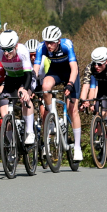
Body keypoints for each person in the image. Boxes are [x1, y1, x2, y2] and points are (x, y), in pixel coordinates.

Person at [35, 25, 83, 162]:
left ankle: (77, 147)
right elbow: (36, 69)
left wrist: (70, 84)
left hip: (70, 74)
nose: (48, 45)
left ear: (58, 41)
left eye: (51, 42)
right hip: (55, 72)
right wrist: (30, 84)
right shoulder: (41, 47)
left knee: (72, 110)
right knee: (45, 86)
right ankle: (52, 117)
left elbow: (74, 68)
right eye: (46, 42)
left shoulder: (67, 45)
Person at [0, 30, 35, 144]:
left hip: (26, 77)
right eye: (4, 49)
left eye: (9, 50)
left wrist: (25, 89)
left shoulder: (22, 51)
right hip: (11, 78)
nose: (6, 53)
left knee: (24, 98)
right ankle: (10, 143)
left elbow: (28, 74)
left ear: (16, 45)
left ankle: (30, 131)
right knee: (3, 104)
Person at [80, 47, 107, 152]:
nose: (96, 66)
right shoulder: (90, 68)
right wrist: (83, 100)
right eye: (94, 63)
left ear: (106, 61)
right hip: (101, 90)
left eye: (99, 64)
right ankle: (101, 140)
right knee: (97, 111)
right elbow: (86, 86)